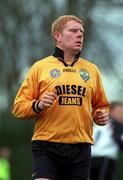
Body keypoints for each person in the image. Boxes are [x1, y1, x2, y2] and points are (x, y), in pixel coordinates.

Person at [12, 15, 109, 180]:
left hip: (80, 147)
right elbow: (18, 108)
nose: (79, 35)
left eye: (81, 32)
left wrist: (100, 115)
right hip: (46, 146)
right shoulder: (40, 67)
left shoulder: (91, 70)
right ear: (58, 36)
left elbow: (101, 105)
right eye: (73, 30)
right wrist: (39, 105)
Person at [90, 101, 123, 180]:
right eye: (120, 111)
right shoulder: (116, 124)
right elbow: (120, 140)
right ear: (111, 111)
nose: (122, 114)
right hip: (105, 158)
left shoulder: (98, 122)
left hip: (90, 158)